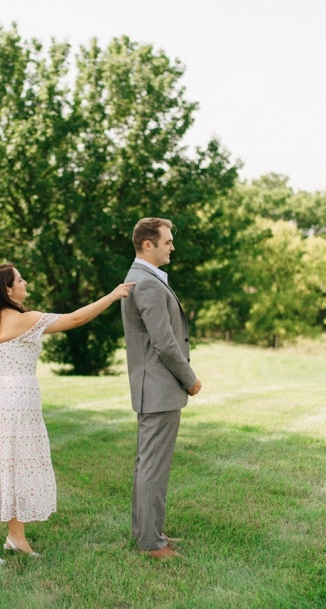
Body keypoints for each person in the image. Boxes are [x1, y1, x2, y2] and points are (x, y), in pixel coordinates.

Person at [0, 263, 133, 566]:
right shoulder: (26, 319)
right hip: (18, 402)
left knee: (4, 463)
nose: (25, 282)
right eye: (20, 279)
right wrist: (113, 295)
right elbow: (77, 319)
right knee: (12, 464)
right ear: (7, 289)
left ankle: (16, 538)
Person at [120, 217, 201, 560]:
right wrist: (190, 378)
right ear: (148, 244)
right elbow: (165, 343)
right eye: (167, 241)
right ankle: (152, 544)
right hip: (158, 387)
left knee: (147, 465)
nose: (172, 246)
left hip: (152, 388)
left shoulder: (142, 279)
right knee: (153, 466)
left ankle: (148, 534)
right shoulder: (147, 283)